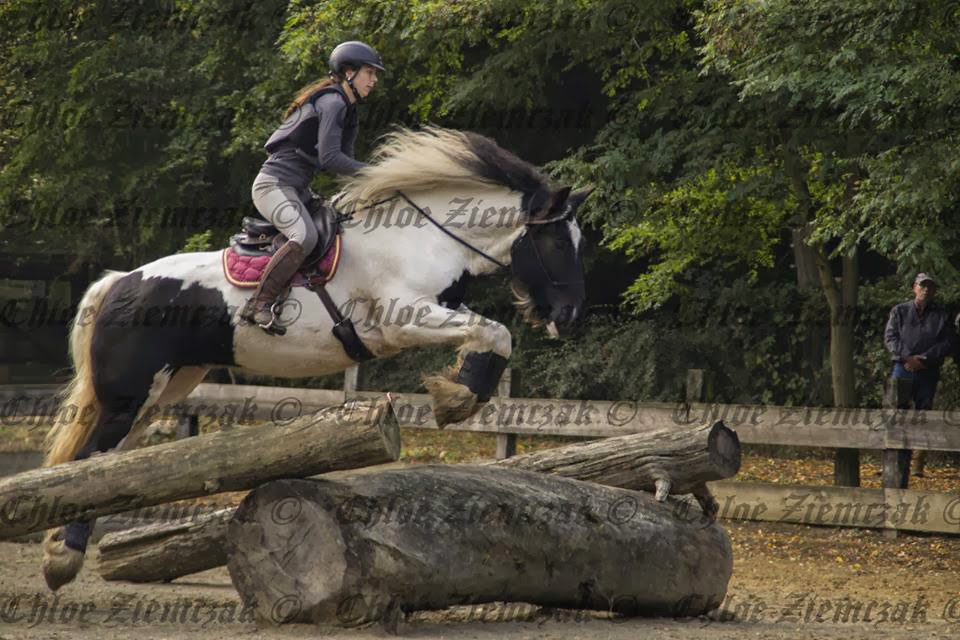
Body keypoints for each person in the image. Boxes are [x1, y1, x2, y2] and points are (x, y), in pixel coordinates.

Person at [239, 40, 384, 333]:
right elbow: (330, 158)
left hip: (298, 191)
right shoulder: (332, 103)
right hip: (273, 185)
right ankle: (258, 304)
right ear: (349, 72)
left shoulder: (348, 111)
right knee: (304, 236)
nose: (374, 80)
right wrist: (381, 173)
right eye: (369, 72)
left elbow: (346, 165)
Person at [883, 272, 956, 485]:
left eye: (930, 286)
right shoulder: (899, 311)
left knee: (924, 415)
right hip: (902, 367)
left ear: (935, 291)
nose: (926, 289)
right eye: (922, 285)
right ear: (914, 288)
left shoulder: (942, 315)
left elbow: (948, 342)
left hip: (928, 369)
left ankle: (918, 462)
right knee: (896, 413)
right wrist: (908, 357)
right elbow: (891, 338)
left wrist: (924, 359)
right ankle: (895, 459)